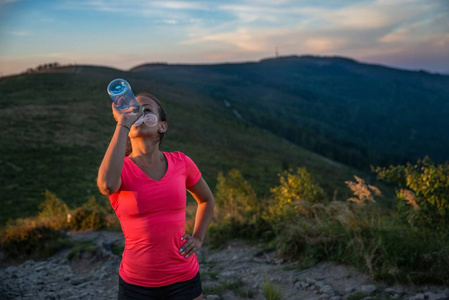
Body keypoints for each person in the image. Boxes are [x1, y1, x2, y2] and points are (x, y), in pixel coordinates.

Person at [97, 91, 215, 300]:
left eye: (146, 110)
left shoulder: (182, 162)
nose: (138, 114)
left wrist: (198, 237)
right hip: (136, 283)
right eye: (134, 110)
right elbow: (106, 185)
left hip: (183, 276)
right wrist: (122, 124)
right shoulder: (120, 169)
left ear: (162, 126)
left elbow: (206, 199)